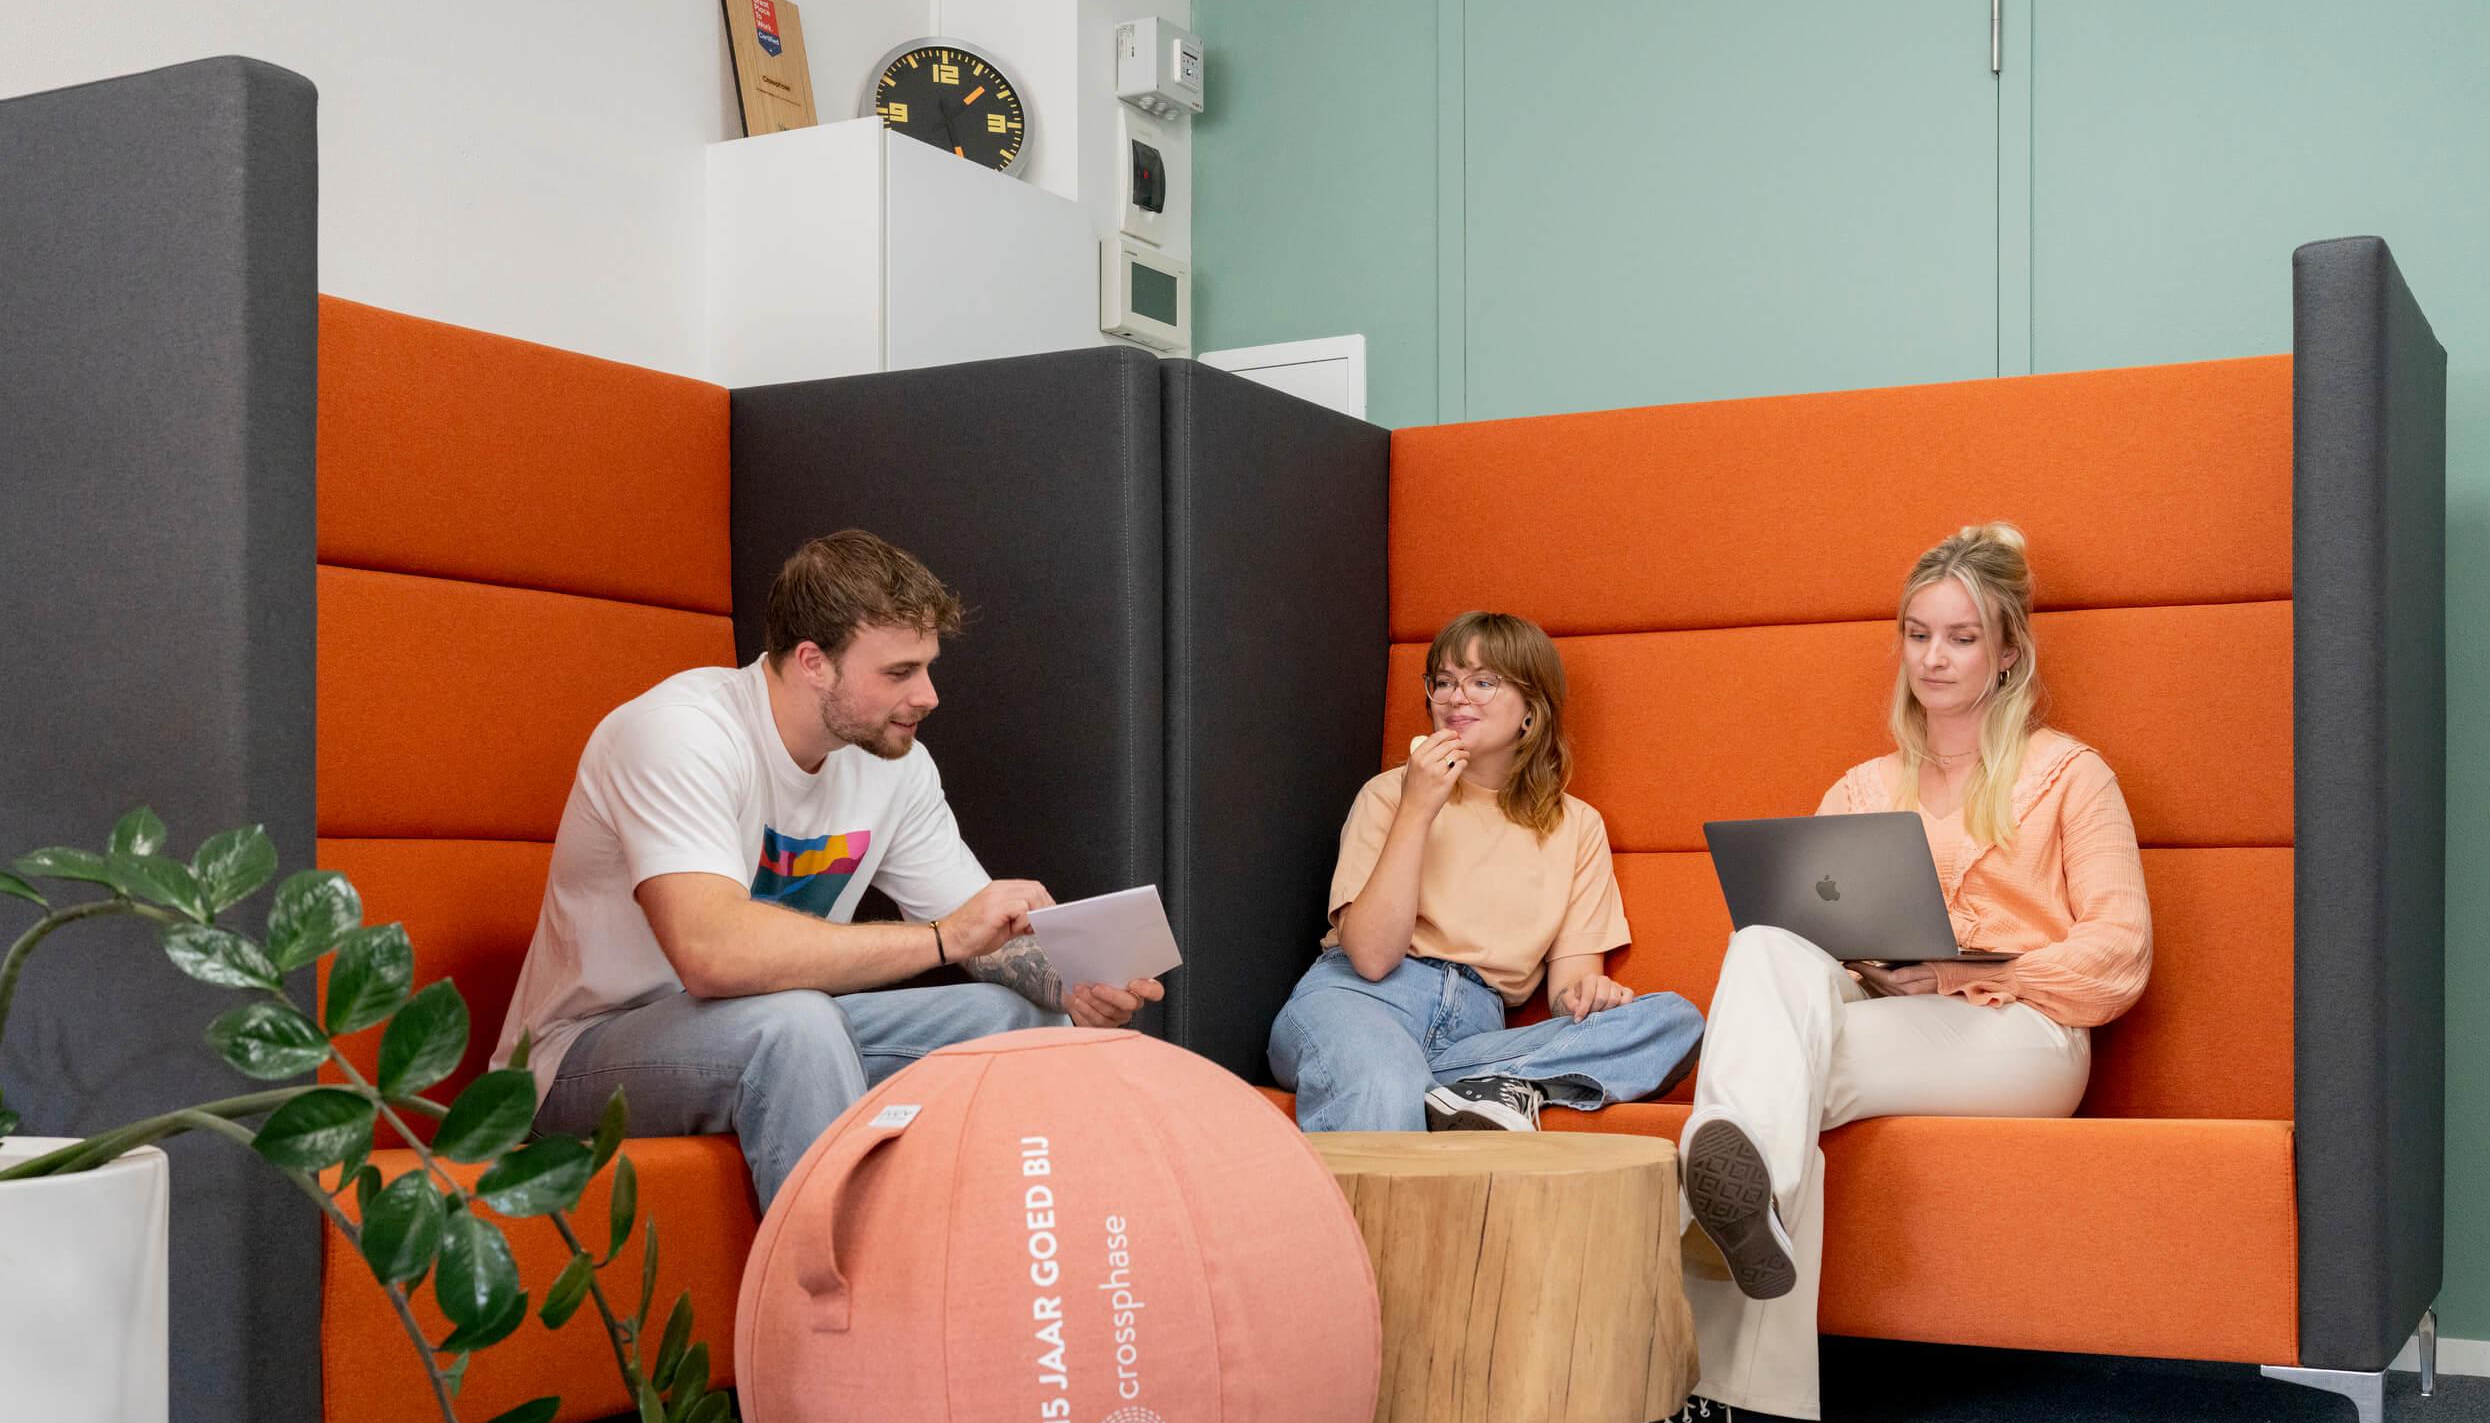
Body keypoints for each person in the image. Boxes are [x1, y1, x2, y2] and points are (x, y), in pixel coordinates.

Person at [1604, 523, 2152, 1423]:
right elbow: (1804, 950)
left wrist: (1969, 971)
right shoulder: (1863, 787)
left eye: (1961, 637)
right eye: (1917, 634)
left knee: (1769, 1080)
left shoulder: (2071, 775)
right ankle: (1749, 1235)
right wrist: (1872, 965)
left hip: (2023, 1037)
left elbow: (2121, 956)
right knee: (1766, 944)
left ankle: (1747, 1393)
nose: (1934, 657)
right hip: (1886, 1018)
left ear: (2007, 652)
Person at [496, 529, 1165, 1210]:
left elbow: (984, 935)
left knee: (1012, 1015)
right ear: (813, 662)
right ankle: (840, 1278)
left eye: (928, 667)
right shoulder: (682, 733)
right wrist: (942, 938)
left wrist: (1074, 983)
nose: (929, 695)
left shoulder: (893, 765)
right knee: (796, 1026)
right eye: (899, 673)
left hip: (779, 1027)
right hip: (579, 1059)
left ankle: (1013, 1254)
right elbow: (710, 954)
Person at [1267, 610, 1702, 1134]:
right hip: (1360, 1004)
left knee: (1672, 1021)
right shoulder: (1388, 794)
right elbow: (1372, 958)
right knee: (1385, 1078)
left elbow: (1569, 990)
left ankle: (1470, 1092)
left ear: (1530, 711)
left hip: (1474, 1036)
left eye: (1482, 682)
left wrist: (1590, 996)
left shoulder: (1577, 825)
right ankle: (1475, 1093)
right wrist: (1417, 809)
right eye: (1443, 681)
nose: (1456, 698)